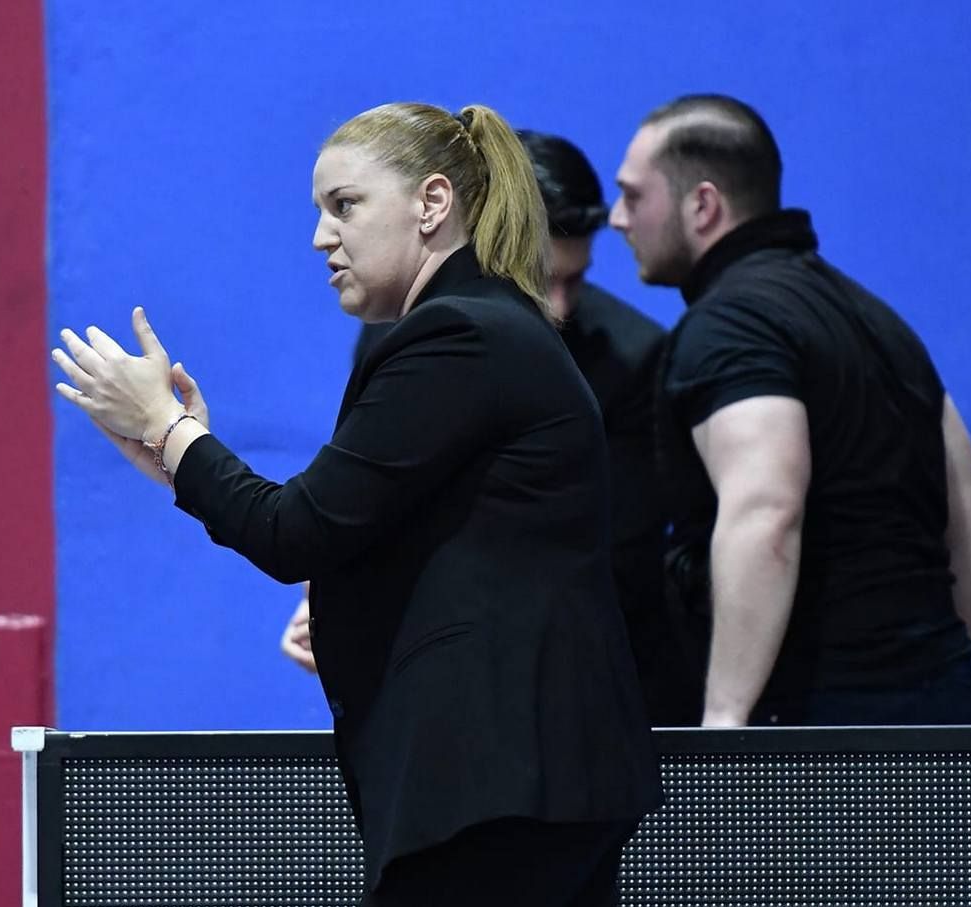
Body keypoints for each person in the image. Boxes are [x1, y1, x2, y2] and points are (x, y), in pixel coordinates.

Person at [52, 101, 660, 907]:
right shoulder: (488, 332)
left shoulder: (457, 337)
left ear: (432, 204)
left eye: (343, 204)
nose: (319, 236)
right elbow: (377, 536)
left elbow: (297, 531)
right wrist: (179, 456)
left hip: (489, 784)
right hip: (547, 778)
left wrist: (172, 431)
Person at [607, 93, 971, 728]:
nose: (618, 218)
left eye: (633, 195)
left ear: (702, 205)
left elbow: (767, 509)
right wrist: (955, 674)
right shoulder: (878, 320)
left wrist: (725, 720)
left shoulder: (732, 326)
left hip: (817, 729)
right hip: (947, 705)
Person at [281, 129, 691, 724]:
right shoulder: (402, 330)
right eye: (540, 279)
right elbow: (367, 496)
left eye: (575, 281)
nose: (557, 308)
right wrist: (328, 598)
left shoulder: (635, 358)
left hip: (579, 694)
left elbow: (611, 559)